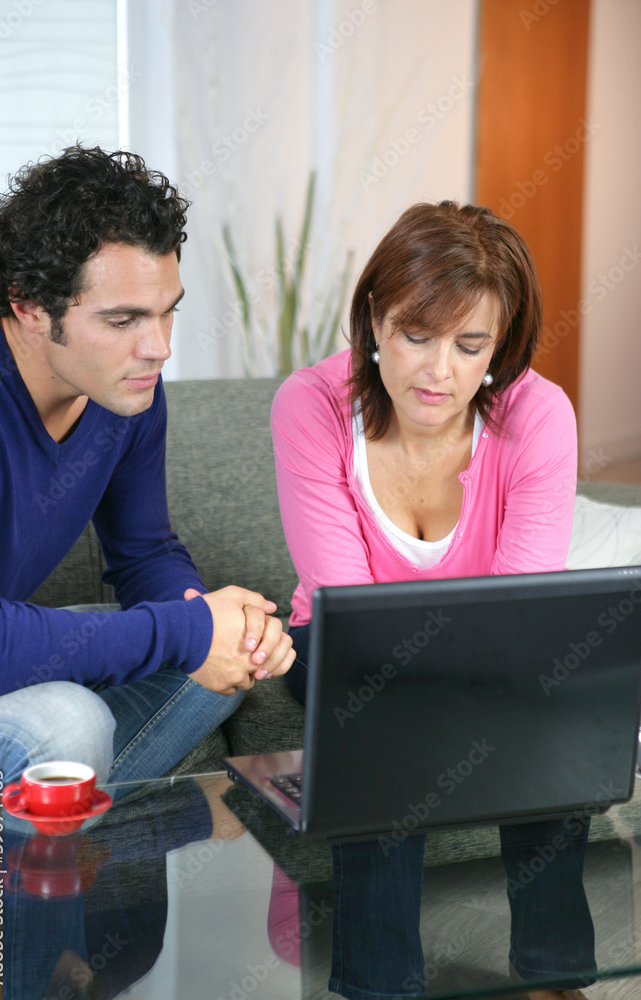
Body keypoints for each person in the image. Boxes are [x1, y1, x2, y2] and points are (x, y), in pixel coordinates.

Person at [271, 202, 593, 999]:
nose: (438, 371)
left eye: (469, 345)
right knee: (382, 712)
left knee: (553, 706)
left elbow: (518, 610)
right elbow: (347, 608)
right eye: (416, 335)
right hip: (340, 645)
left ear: (500, 346)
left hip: (493, 645)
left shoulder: (537, 414)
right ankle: (379, 987)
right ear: (374, 320)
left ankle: (553, 978)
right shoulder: (310, 406)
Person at [0, 145, 294, 786]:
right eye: (123, 320)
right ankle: (42, 829)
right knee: (70, 725)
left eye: (168, 310)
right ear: (29, 306)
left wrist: (217, 627)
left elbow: (145, 553)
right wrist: (187, 632)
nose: (159, 347)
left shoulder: (125, 389)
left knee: (222, 666)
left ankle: (46, 821)